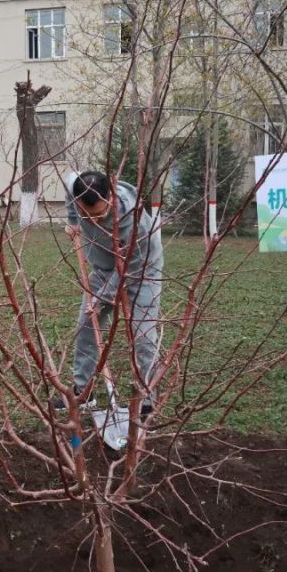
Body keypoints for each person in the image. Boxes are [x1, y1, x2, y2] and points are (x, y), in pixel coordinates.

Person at [60, 171, 163, 414]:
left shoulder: (136, 222)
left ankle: (146, 400)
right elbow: (68, 184)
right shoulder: (76, 189)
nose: (93, 221)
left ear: (110, 198)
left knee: (143, 334)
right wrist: (74, 219)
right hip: (103, 269)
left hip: (141, 269)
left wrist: (100, 299)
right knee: (86, 324)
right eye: (87, 215)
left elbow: (128, 269)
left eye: (98, 215)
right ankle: (83, 392)